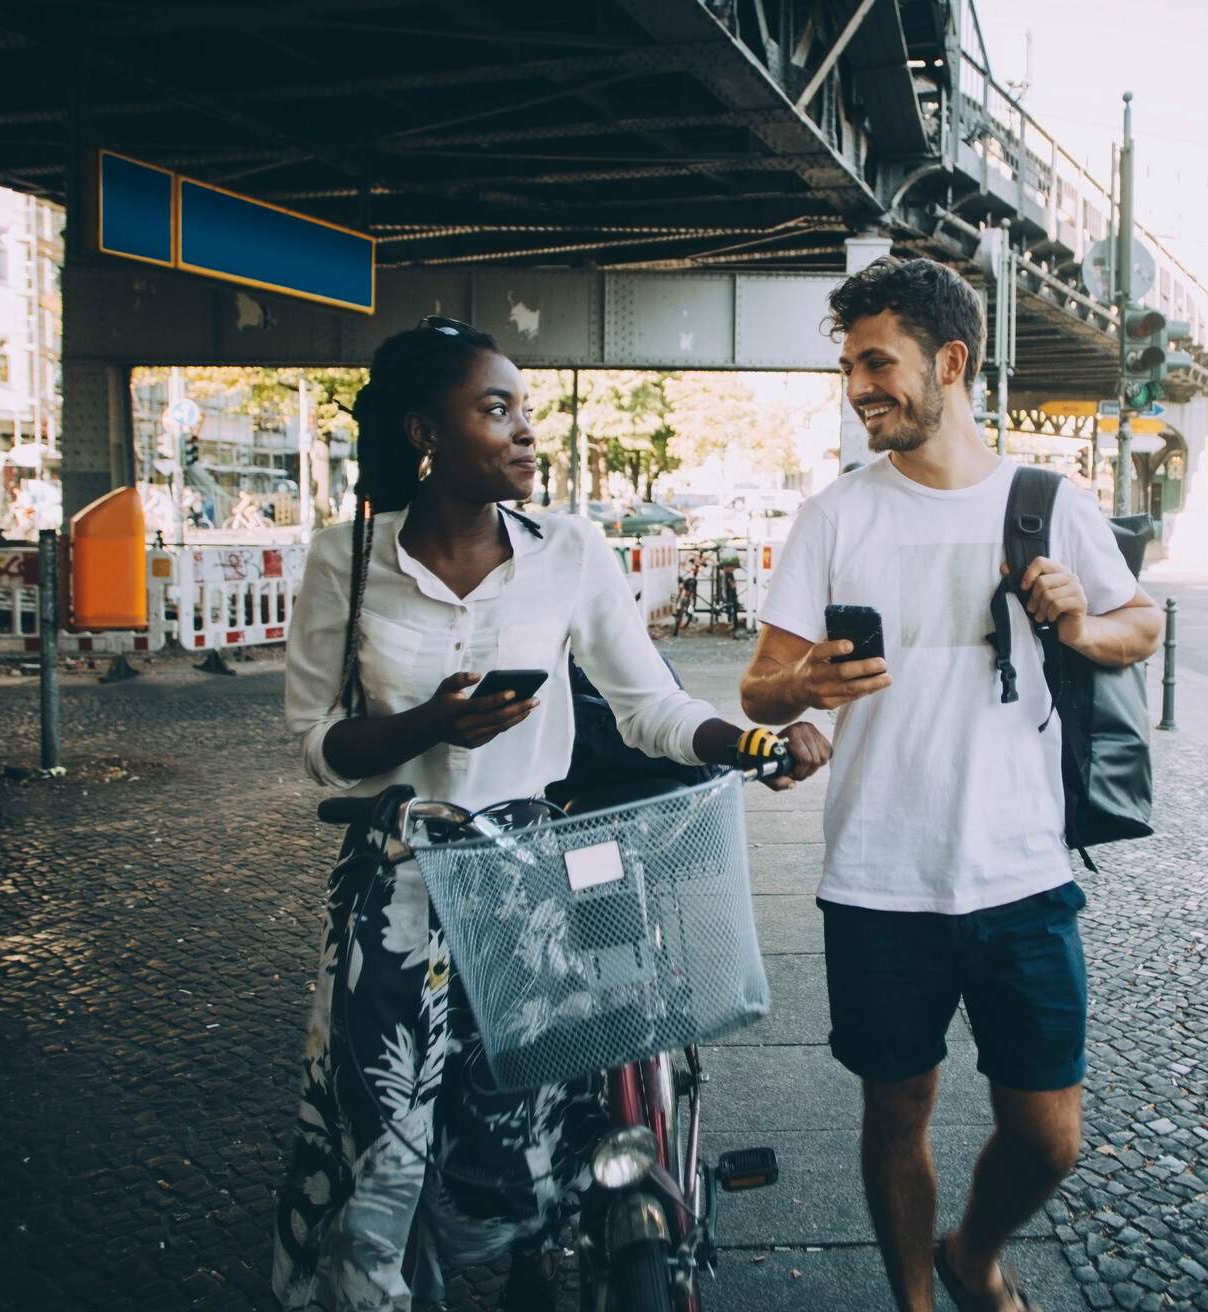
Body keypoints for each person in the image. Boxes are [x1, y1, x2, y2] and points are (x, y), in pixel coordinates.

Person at [274, 316, 829, 1312]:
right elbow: (319, 741)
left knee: (515, 1152)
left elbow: (647, 706)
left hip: (523, 880)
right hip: (392, 893)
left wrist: (744, 742)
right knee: (383, 1151)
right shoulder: (342, 557)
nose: (527, 431)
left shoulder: (569, 550)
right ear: (424, 431)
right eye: (498, 409)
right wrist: (426, 725)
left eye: (526, 408)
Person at [740, 259, 1161, 1312]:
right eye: (849, 366)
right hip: (880, 876)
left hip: (1022, 871)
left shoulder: (1049, 502)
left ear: (952, 362)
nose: (858, 386)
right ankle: (918, 1303)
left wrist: (1077, 621)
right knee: (898, 1110)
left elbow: (1140, 623)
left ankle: (974, 1249)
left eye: (877, 362)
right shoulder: (836, 517)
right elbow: (759, 687)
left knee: (1049, 1137)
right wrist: (804, 682)